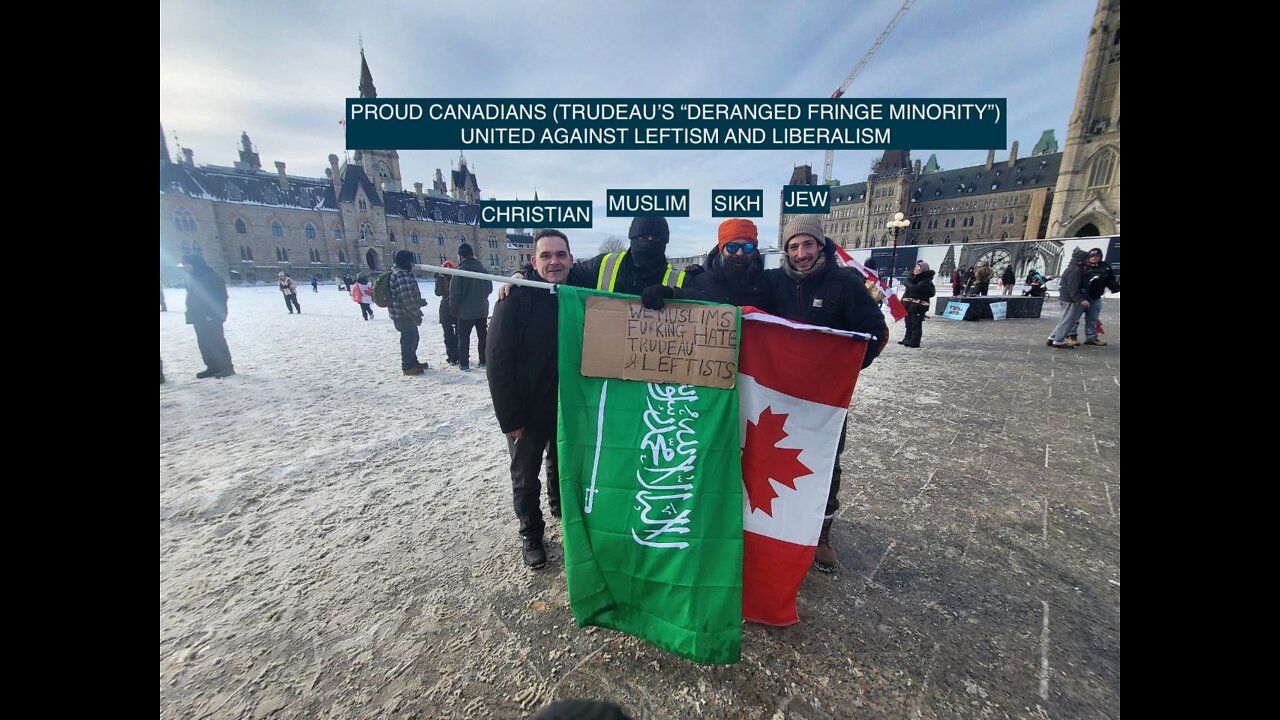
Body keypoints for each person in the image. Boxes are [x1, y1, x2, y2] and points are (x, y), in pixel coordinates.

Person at [765, 215, 888, 572]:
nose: (801, 253)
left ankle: (822, 532)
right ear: (785, 250)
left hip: (825, 400)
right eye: (793, 246)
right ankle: (779, 521)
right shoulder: (773, 282)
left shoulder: (844, 283)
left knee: (825, 460)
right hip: (781, 394)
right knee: (777, 455)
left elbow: (876, 333)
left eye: (807, 244)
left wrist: (844, 372)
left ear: (820, 245)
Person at [486, 229, 573, 569]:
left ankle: (559, 506)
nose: (554, 261)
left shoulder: (572, 293)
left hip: (562, 406)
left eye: (560, 255)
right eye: (546, 256)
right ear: (534, 261)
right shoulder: (515, 299)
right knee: (525, 475)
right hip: (525, 410)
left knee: (559, 463)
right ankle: (531, 533)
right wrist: (510, 418)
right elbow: (497, 362)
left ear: (570, 259)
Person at [678, 218, 771, 307]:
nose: (739, 253)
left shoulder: (768, 285)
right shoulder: (698, 282)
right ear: (721, 249)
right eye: (732, 247)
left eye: (747, 247)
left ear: (754, 250)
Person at [183, 255, 234, 379]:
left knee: (216, 341)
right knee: (204, 342)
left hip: (211, 316)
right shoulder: (193, 277)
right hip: (198, 316)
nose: (185, 266)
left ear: (195, 264)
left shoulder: (211, 277)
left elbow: (221, 298)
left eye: (187, 264)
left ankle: (226, 367)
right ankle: (212, 366)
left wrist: (214, 315)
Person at [450, 243, 492, 371]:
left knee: (463, 338)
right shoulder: (483, 270)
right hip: (481, 310)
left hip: (465, 312)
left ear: (460, 256)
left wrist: (453, 307)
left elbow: (455, 293)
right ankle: (483, 360)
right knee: (482, 337)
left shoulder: (459, 271)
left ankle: (464, 363)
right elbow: (489, 289)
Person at [388, 250, 429, 375]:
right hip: (404, 314)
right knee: (408, 340)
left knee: (413, 338)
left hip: (402, 313)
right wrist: (416, 313)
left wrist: (419, 302)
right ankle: (407, 366)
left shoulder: (400, 273)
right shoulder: (401, 275)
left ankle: (412, 362)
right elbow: (406, 298)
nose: (413, 264)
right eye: (411, 261)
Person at [1073, 247, 1120, 346]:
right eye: (1092, 256)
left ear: (1100, 257)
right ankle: (1071, 336)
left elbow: (1110, 280)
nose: (1094, 258)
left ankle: (1091, 337)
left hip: (1095, 297)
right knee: (1074, 318)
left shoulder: (1104, 267)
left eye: (1097, 256)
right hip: (1081, 297)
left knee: (1093, 318)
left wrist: (1115, 288)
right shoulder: (1082, 266)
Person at [1046, 249, 1089, 349]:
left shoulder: (1073, 268)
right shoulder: (1076, 270)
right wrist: (1080, 300)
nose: (1088, 260)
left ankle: (1052, 338)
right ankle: (1058, 341)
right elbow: (1073, 288)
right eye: (1087, 258)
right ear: (1082, 259)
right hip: (1070, 299)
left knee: (1065, 320)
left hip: (1067, 298)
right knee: (1068, 321)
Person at [899, 261, 936, 348]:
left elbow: (915, 290)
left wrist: (908, 283)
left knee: (916, 324)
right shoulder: (913, 278)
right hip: (910, 305)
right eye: (916, 268)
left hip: (918, 306)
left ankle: (914, 342)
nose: (916, 270)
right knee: (908, 323)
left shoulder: (926, 280)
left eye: (918, 269)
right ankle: (907, 339)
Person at [434, 260, 460, 365]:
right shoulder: (442, 279)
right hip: (447, 308)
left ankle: (456, 355)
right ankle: (452, 356)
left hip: (453, 307)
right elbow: (437, 292)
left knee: (457, 334)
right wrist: (439, 278)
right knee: (449, 334)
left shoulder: (456, 278)